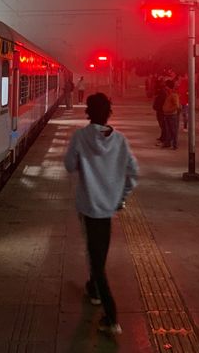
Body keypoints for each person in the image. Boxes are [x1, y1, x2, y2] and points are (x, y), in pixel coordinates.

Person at [64, 93, 138, 336]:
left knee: (97, 259)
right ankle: (93, 288)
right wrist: (121, 197)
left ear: (88, 111)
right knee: (98, 250)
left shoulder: (80, 137)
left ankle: (112, 316)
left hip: (88, 206)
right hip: (107, 208)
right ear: (109, 113)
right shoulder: (120, 141)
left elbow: (69, 165)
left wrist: (82, 160)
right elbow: (133, 173)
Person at [162, 80, 180, 149]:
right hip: (167, 114)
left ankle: (175, 145)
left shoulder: (174, 95)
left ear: (168, 86)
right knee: (168, 130)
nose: (164, 87)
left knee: (173, 130)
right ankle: (168, 143)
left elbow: (176, 106)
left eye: (165, 86)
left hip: (172, 115)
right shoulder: (169, 94)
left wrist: (169, 110)